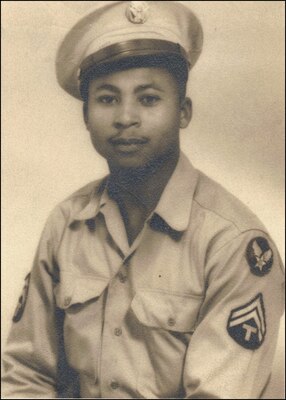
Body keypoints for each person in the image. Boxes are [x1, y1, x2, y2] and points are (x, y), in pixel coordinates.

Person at [2, 1, 284, 398]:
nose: (125, 117)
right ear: (85, 116)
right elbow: (26, 374)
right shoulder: (65, 224)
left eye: (149, 99)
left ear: (183, 111)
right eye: (106, 99)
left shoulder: (233, 243)